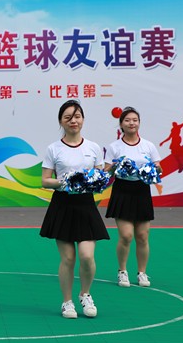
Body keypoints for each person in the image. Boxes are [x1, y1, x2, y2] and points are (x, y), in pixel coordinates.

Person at [39, 99, 109, 319]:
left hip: (86, 205)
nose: (73, 121)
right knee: (68, 258)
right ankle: (67, 302)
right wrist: (66, 181)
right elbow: (45, 180)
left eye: (77, 116)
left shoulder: (93, 147)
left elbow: (100, 177)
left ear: (83, 120)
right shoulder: (54, 148)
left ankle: (85, 294)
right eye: (68, 117)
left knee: (87, 256)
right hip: (62, 206)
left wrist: (92, 181)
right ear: (61, 121)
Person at [104, 107, 162, 288]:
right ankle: (122, 271)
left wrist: (154, 169)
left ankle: (142, 272)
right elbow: (106, 171)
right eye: (127, 120)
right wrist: (115, 166)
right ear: (121, 124)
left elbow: (159, 168)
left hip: (142, 190)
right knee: (126, 235)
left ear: (139, 123)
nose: (131, 123)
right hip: (122, 191)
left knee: (143, 236)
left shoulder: (148, 146)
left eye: (135, 120)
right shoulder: (115, 147)